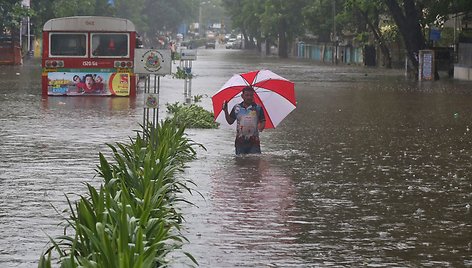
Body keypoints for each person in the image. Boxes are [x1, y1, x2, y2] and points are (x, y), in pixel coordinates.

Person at [223, 86, 266, 155]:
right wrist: (225, 110)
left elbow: (263, 121)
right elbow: (230, 121)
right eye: (247, 95)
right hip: (240, 142)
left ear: (253, 96)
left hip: (254, 142)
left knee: (254, 162)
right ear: (242, 96)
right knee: (240, 163)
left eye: (251, 95)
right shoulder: (237, 108)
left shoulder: (258, 108)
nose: (249, 97)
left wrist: (261, 127)